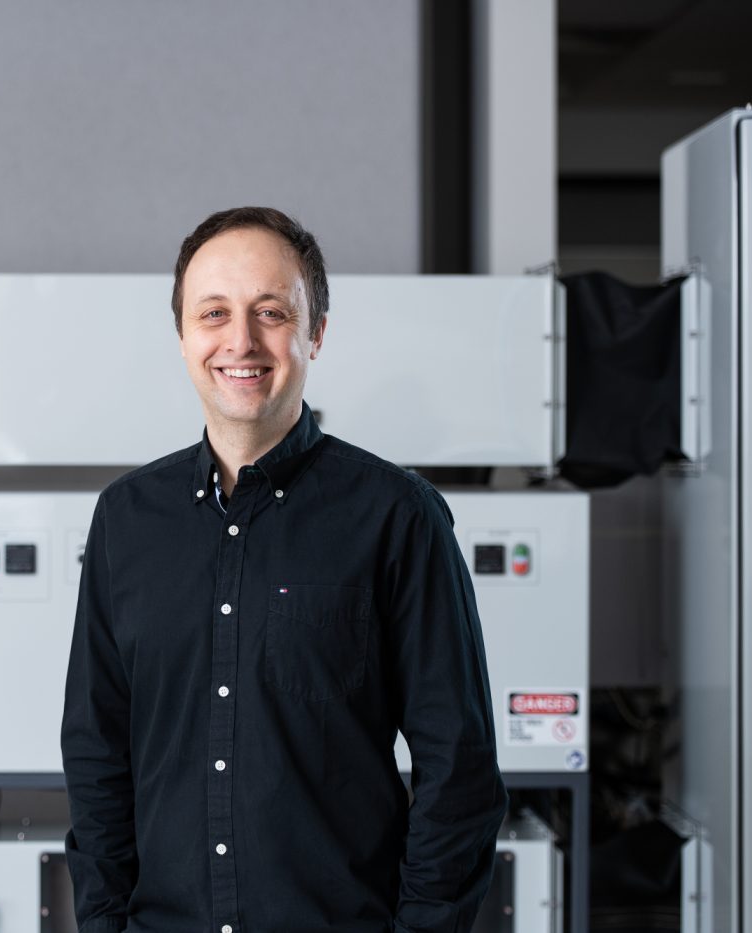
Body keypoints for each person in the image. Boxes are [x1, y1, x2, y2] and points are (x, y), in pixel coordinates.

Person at [61, 206, 507, 933]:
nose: (241, 340)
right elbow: (96, 753)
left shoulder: (399, 517)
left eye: (271, 312)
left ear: (316, 333)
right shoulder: (124, 521)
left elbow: (459, 770)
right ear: (182, 336)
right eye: (214, 313)